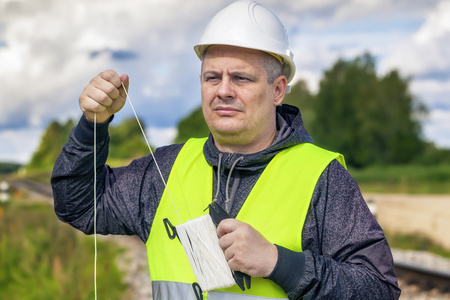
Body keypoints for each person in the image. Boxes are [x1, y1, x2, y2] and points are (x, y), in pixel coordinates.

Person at [51, 1, 401, 299]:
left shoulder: (320, 178)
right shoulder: (166, 169)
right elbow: (79, 205)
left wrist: (280, 263)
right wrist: (92, 125)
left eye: (241, 78)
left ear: (278, 90)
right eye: (212, 77)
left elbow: (379, 289)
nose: (223, 90)